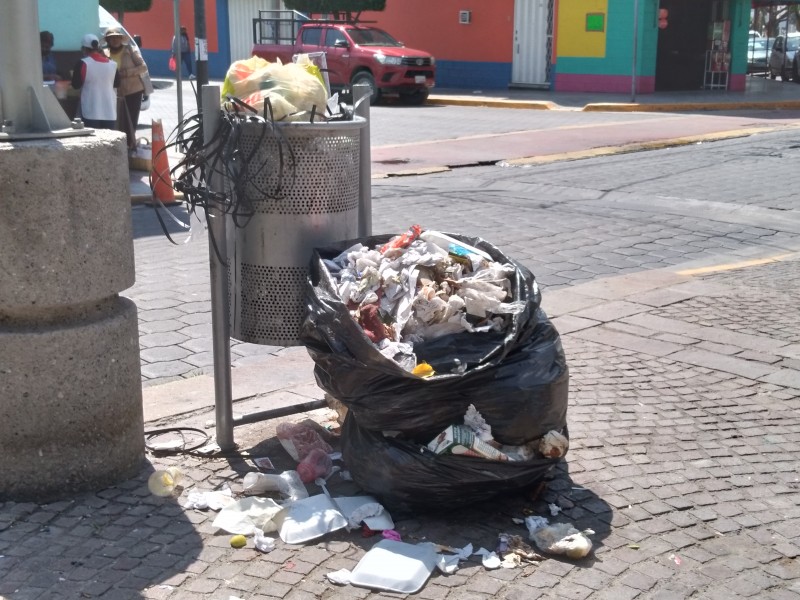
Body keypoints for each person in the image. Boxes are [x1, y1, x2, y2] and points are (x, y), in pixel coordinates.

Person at [104, 27, 150, 151]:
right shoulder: (105, 53)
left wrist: (125, 73)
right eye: (111, 38)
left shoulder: (131, 50)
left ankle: (130, 146)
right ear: (108, 40)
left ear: (121, 39)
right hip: (114, 92)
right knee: (118, 121)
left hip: (133, 90)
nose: (114, 40)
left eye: (117, 37)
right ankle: (120, 147)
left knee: (131, 120)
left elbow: (143, 67)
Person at [71, 33, 119, 130]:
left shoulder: (83, 63)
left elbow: (76, 85)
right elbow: (117, 84)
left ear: (84, 49)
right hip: (109, 112)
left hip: (90, 111)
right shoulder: (113, 65)